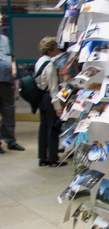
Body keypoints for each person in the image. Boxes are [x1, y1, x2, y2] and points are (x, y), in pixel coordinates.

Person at [35, 37, 67, 167]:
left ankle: (42, 157)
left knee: (43, 127)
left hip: (41, 97)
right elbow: (53, 88)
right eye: (56, 47)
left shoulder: (40, 61)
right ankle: (53, 159)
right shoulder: (50, 65)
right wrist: (58, 107)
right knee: (53, 129)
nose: (58, 49)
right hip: (49, 98)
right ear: (51, 50)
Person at [0, 16, 25, 153]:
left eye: (1, 21)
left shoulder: (5, 39)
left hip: (6, 81)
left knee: (9, 112)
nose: (1, 23)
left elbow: (11, 56)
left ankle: (10, 140)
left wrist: (13, 67)